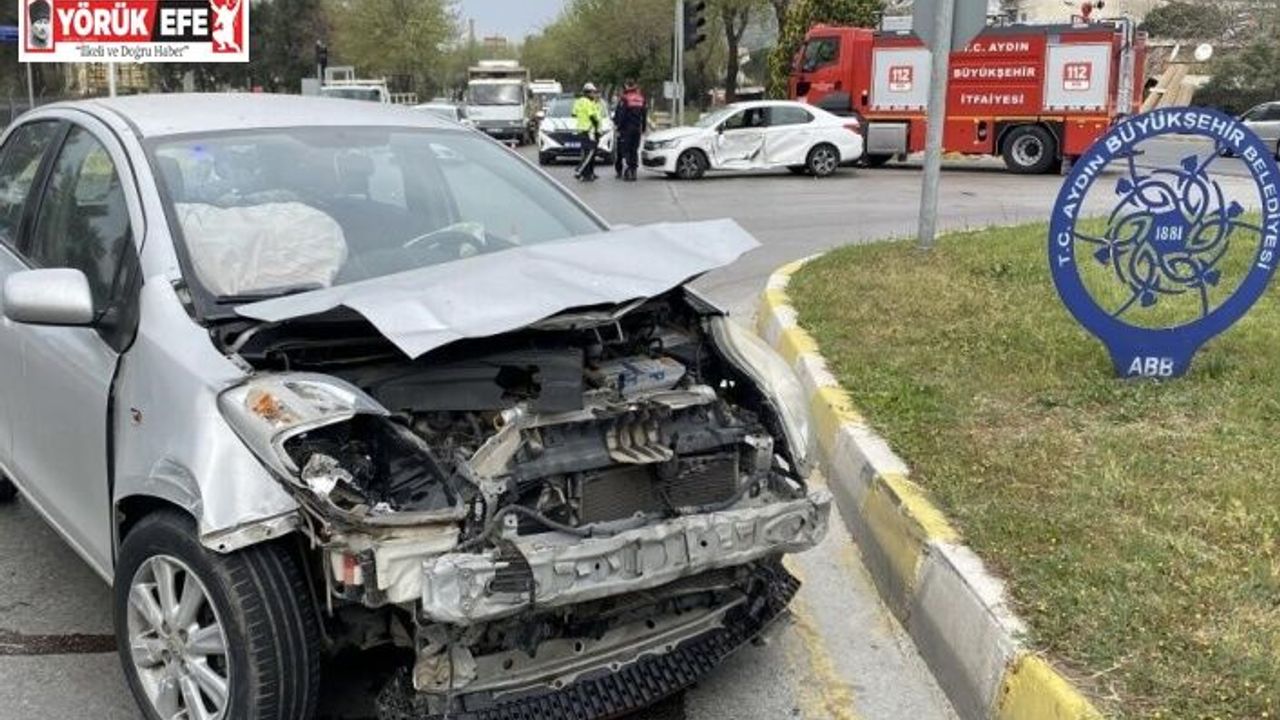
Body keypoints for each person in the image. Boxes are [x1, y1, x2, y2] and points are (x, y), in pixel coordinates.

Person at [613, 79, 648, 182]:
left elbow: (622, 115)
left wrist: (618, 127)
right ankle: (634, 171)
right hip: (637, 129)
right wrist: (644, 128)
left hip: (626, 129)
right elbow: (644, 115)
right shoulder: (641, 98)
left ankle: (628, 172)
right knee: (634, 150)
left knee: (626, 150)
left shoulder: (625, 98)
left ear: (627, 86)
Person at [572, 83, 604, 182]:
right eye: (593, 92)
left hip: (583, 129)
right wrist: (596, 127)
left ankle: (588, 174)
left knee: (589, 153)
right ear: (588, 92)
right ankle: (579, 171)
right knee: (590, 152)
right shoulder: (587, 102)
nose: (594, 94)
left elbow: (574, 114)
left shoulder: (579, 102)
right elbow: (592, 117)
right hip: (589, 130)